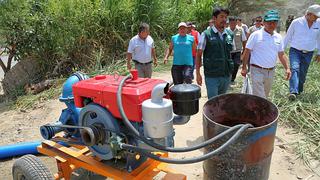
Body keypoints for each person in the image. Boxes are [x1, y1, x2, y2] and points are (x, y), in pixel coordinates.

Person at [241, 10, 291, 98]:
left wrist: (287, 68)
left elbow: (281, 54)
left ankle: (256, 110)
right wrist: (244, 67)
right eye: (269, 23)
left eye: (274, 22)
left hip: (271, 71)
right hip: (256, 70)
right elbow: (247, 51)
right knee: (260, 97)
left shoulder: (278, 37)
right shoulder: (256, 35)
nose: (272, 25)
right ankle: (260, 111)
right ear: (264, 23)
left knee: (265, 95)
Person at [284, 4, 320, 100]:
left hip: (309, 53)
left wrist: (319, 52)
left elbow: (319, 38)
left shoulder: (318, 23)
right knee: (294, 68)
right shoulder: (296, 22)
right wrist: (281, 51)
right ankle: (293, 92)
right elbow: (288, 36)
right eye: (315, 16)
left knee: (303, 74)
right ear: (308, 14)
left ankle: (298, 91)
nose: (316, 18)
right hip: (295, 51)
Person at [196, 7, 234, 99]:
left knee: (222, 101)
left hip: (226, 75)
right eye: (221, 17)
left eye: (225, 17)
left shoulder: (230, 34)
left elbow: (231, 53)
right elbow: (199, 54)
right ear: (214, 18)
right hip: (212, 76)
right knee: (213, 103)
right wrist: (198, 73)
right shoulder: (206, 34)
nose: (224, 19)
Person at [226, 16, 247, 84]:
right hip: (229, 51)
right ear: (229, 23)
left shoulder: (240, 30)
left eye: (234, 23)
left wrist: (243, 51)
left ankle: (232, 78)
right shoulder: (226, 31)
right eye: (231, 23)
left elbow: (244, 41)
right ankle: (228, 78)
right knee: (229, 65)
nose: (233, 24)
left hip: (237, 51)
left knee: (236, 64)